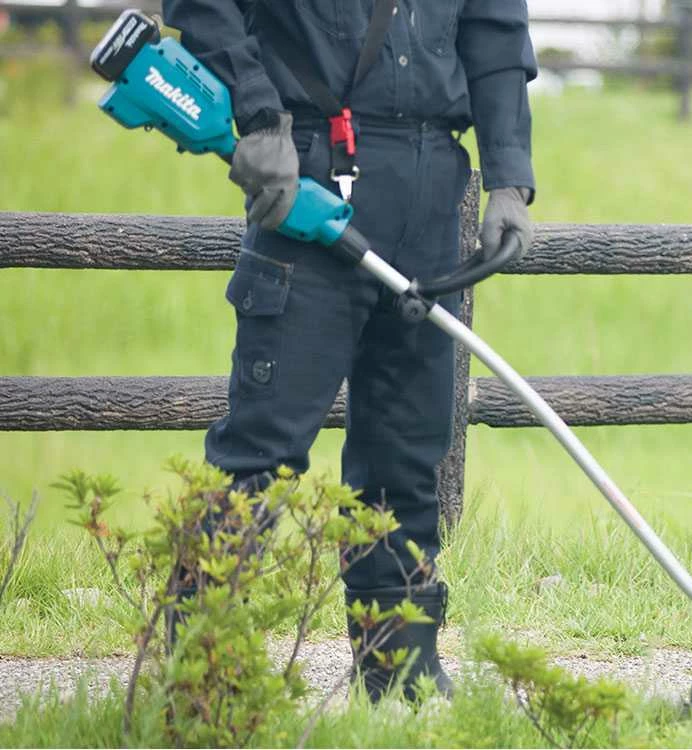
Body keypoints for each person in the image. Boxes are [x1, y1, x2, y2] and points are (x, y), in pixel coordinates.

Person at [160, 0, 536, 701]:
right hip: (308, 174)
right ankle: (201, 682)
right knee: (262, 449)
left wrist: (510, 177)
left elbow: (496, 32)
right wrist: (259, 117)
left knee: (407, 455)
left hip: (432, 187)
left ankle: (401, 678)